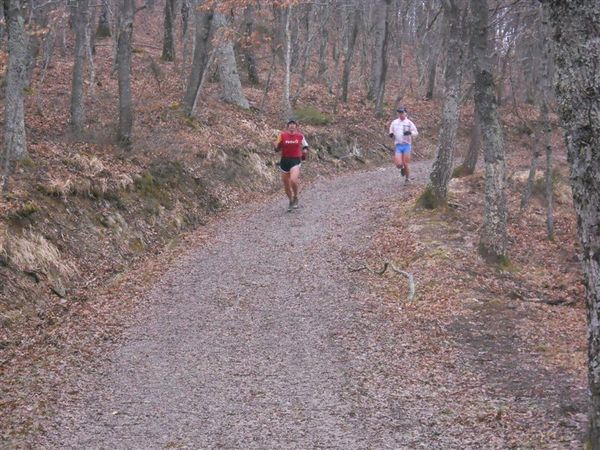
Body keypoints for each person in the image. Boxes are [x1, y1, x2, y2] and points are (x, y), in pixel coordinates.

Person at [275, 119, 309, 212]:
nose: (292, 126)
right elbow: (276, 148)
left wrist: (305, 151)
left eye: (294, 124)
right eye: (290, 124)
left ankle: (296, 197)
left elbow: (305, 145)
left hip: (295, 160)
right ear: (287, 126)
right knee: (286, 185)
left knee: (293, 181)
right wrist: (277, 145)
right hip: (284, 161)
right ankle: (290, 201)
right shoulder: (282, 135)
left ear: (296, 126)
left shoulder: (300, 136)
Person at [389, 107, 418, 184]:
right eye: (399, 113)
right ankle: (402, 168)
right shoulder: (394, 122)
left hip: (406, 145)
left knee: (406, 163)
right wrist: (391, 133)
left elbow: (416, 132)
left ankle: (407, 179)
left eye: (402, 113)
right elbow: (391, 129)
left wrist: (410, 133)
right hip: (398, 145)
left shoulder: (409, 123)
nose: (401, 114)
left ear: (406, 113)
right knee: (398, 164)